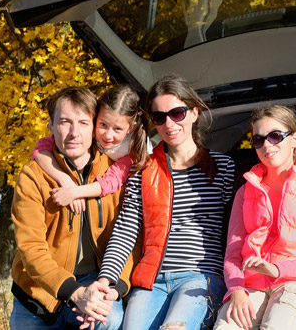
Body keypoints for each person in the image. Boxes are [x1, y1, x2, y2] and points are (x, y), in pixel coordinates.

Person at [95, 74, 235, 330]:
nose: (169, 123)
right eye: (160, 117)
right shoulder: (143, 170)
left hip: (200, 278)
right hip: (152, 281)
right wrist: (107, 278)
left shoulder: (223, 167)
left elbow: (237, 229)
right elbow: (125, 231)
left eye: (177, 113)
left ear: (194, 113)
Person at [9, 86, 137, 329]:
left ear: (94, 127)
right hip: (38, 294)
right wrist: (75, 293)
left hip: (96, 281)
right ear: (51, 126)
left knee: (110, 320)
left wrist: (114, 287)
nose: (74, 133)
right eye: (65, 122)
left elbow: (131, 237)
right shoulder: (33, 176)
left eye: (83, 123)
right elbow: (31, 249)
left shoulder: (116, 173)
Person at [213, 105, 296, 330]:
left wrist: (277, 270)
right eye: (258, 140)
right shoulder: (245, 192)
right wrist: (236, 289)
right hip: (250, 285)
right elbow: (232, 254)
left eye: (275, 136)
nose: (266, 145)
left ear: (295, 139)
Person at [31, 84, 150, 214]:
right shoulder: (85, 130)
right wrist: (64, 179)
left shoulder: (133, 150)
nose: (108, 135)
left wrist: (74, 192)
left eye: (117, 129)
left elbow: (110, 182)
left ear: (130, 128)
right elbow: (41, 149)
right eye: (103, 125)